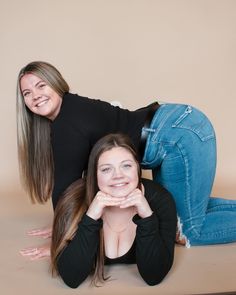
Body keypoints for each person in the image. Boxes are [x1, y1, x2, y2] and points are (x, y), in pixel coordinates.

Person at [17, 61, 236, 255]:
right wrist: (61, 224)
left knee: (185, 231)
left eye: (41, 85)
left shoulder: (68, 122)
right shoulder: (73, 108)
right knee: (186, 209)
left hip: (177, 136)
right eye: (27, 93)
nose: (35, 96)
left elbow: (65, 187)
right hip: (176, 125)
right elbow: (74, 183)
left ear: (56, 83)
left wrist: (62, 239)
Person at [50, 133, 177, 287]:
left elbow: (154, 276)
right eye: (106, 169)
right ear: (94, 174)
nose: (118, 175)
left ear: (137, 168)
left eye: (126, 166)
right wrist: (90, 217)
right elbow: (72, 278)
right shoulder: (73, 200)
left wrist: (147, 216)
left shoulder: (161, 200)